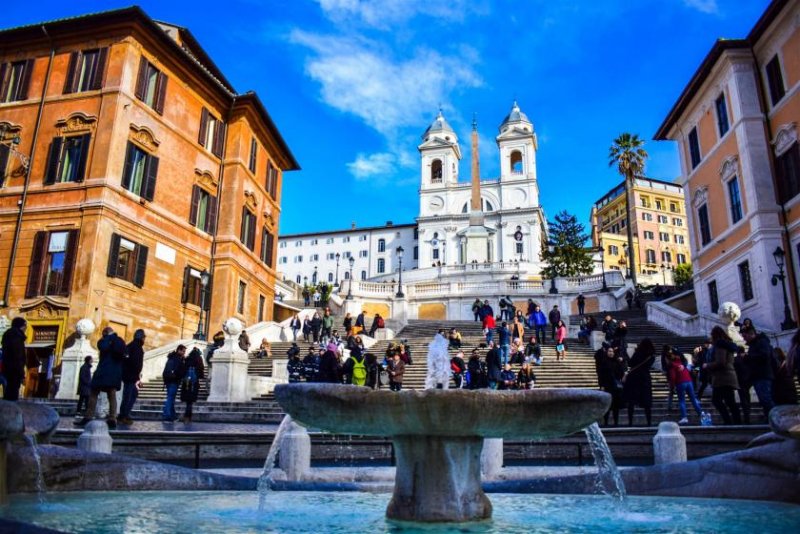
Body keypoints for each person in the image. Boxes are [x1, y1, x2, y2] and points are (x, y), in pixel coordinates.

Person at [76, 327, 127, 428]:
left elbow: (102, 347)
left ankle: (88, 417)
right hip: (115, 373)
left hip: (103, 371)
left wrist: (106, 339)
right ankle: (112, 418)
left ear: (105, 333)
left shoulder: (105, 340)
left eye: (103, 334)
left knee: (93, 393)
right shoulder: (120, 341)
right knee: (112, 395)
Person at [704, 326, 742, 425]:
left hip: (723, 378)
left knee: (717, 400)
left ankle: (729, 421)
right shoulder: (725, 345)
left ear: (715, 335)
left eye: (711, 335)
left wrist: (707, 365)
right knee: (730, 401)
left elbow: (721, 362)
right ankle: (736, 422)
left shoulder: (720, 345)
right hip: (727, 376)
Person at [741, 326, 775, 418]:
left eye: (745, 336)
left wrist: (747, 357)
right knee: (763, 399)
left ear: (751, 334)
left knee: (765, 399)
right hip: (757, 375)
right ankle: (769, 418)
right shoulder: (754, 344)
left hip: (763, 374)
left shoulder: (761, 342)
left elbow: (764, 356)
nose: (744, 339)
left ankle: (776, 419)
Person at [623, 338, 655, 427]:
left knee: (631, 401)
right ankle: (649, 422)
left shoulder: (638, 352)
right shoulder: (651, 355)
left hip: (634, 378)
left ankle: (630, 422)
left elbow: (630, 363)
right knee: (647, 402)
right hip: (645, 378)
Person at [667, 350, 703, 425]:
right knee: (693, 399)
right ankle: (701, 413)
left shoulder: (672, 365)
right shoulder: (682, 363)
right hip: (689, 381)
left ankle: (684, 417)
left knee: (682, 400)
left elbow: (673, 377)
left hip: (680, 382)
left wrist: (672, 386)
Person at [119, 329, 145, 425]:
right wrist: (137, 377)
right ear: (141, 338)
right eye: (143, 337)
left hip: (129, 375)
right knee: (129, 396)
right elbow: (135, 363)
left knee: (130, 395)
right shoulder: (137, 347)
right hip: (132, 376)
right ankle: (123, 415)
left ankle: (125, 414)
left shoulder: (130, 346)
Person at [597, 346, 625, 426]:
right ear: (606, 352)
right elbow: (601, 375)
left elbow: (621, 374)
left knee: (616, 406)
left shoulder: (617, 362)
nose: (611, 353)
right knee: (607, 406)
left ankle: (616, 422)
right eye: (609, 351)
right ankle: (606, 422)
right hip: (607, 386)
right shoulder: (603, 362)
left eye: (612, 351)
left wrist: (621, 362)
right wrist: (601, 385)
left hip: (615, 387)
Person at [1, 317, 27, 401]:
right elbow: (18, 356)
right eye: (25, 326)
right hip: (14, 370)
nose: (26, 328)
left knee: (8, 391)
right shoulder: (17, 336)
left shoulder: (7, 334)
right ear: (22, 326)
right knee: (12, 394)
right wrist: (21, 373)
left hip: (7, 368)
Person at [160, 344, 187, 423]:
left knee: (171, 398)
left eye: (184, 352)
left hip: (168, 381)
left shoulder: (171, 357)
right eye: (183, 351)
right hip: (174, 381)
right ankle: (166, 416)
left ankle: (172, 416)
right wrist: (183, 362)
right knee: (170, 398)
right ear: (179, 350)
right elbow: (180, 371)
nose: (184, 353)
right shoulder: (178, 359)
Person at [180, 347, 205, 423]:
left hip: (186, 383)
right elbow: (201, 372)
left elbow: (183, 370)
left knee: (188, 401)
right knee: (190, 401)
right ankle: (187, 417)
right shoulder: (198, 360)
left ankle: (187, 416)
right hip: (194, 383)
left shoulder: (187, 359)